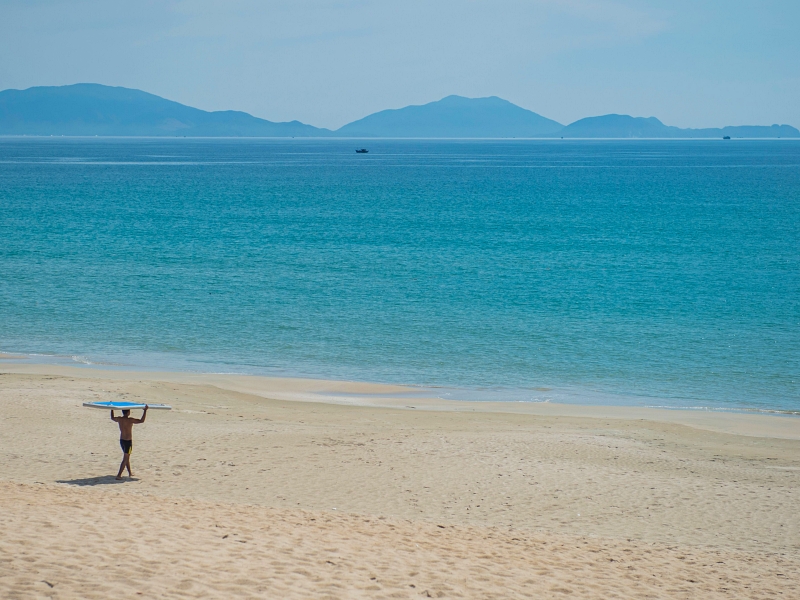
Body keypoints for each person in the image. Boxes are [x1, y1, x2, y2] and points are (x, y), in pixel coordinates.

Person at [110, 406, 148, 480]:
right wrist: (145, 411)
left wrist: (112, 409)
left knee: (127, 456)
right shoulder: (130, 420)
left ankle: (130, 472)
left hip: (122, 441)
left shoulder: (119, 419)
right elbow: (141, 421)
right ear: (128, 412)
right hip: (128, 441)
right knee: (126, 457)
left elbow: (112, 418)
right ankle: (119, 475)